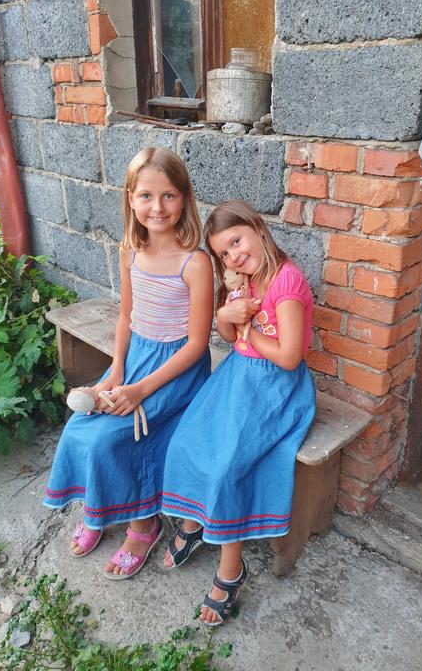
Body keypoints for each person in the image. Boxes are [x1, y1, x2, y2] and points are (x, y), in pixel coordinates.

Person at [43, 148, 214, 580]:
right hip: (134, 358)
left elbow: (197, 345)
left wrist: (140, 389)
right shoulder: (130, 252)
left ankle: (143, 526)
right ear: (130, 199)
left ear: (185, 198)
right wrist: (117, 371)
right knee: (79, 428)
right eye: (146, 196)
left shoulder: (195, 263)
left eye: (169, 195)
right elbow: (126, 318)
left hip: (176, 371)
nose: (157, 207)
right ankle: (99, 509)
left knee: (116, 438)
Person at [161, 199, 316, 624]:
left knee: (227, 465)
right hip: (237, 377)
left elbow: (289, 357)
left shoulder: (286, 282)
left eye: (236, 241)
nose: (233, 256)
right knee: (188, 439)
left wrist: (247, 328)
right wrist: (225, 315)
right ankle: (195, 522)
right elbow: (230, 338)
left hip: (277, 388)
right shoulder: (242, 280)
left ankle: (231, 568)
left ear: (258, 228)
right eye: (223, 253)